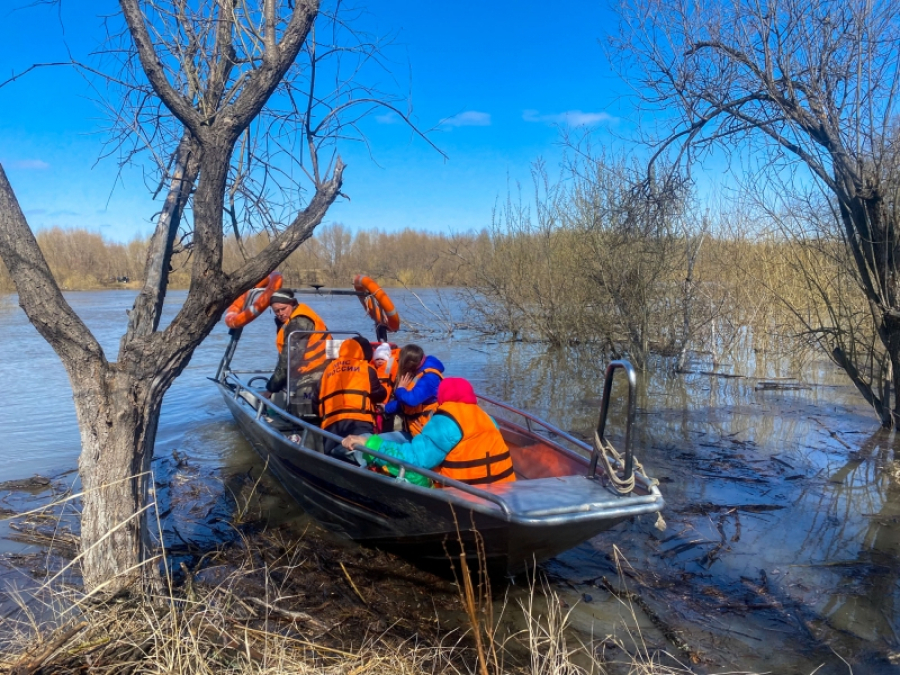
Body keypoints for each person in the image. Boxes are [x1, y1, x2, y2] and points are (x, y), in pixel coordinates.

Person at [341, 377, 516, 487]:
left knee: (399, 467)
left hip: (463, 496)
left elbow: (416, 459)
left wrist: (371, 443)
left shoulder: (448, 419)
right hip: (502, 490)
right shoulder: (487, 418)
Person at [263, 289, 331, 420]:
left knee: (301, 404)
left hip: (315, 370)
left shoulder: (299, 323)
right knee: (290, 393)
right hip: (314, 368)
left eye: (283, 309)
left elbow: (289, 360)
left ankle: (299, 428)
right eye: (276, 311)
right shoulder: (296, 317)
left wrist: (271, 388)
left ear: (292, 304)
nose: (280, 313)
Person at [315, 336, 387, 459]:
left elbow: (316, 400)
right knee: (367, 456)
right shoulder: (367, 369)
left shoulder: (326, 371)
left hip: (331, 424)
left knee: (333, 456)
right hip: (359, 421)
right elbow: (379, 394)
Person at [384, 344, 444, 436]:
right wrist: (386, 408)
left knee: (380, 441)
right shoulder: (418, 373)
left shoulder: (430, 377)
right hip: (413, 430)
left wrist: (400, 389)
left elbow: (412, 400)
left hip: (426, 432)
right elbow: (405, 404)